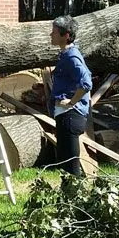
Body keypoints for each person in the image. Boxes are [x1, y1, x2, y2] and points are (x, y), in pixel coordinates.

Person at [50, 15, 92, 178]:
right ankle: (68, 201)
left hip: (70, 116)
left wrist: (71, 102)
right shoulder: (66, 54)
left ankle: (76, 201)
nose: (51, 35)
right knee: (65, 166)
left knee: (71, 169)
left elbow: (86, 82)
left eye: (54, 32)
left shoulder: (71, 56)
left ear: (66, 35)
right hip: (66, 116)